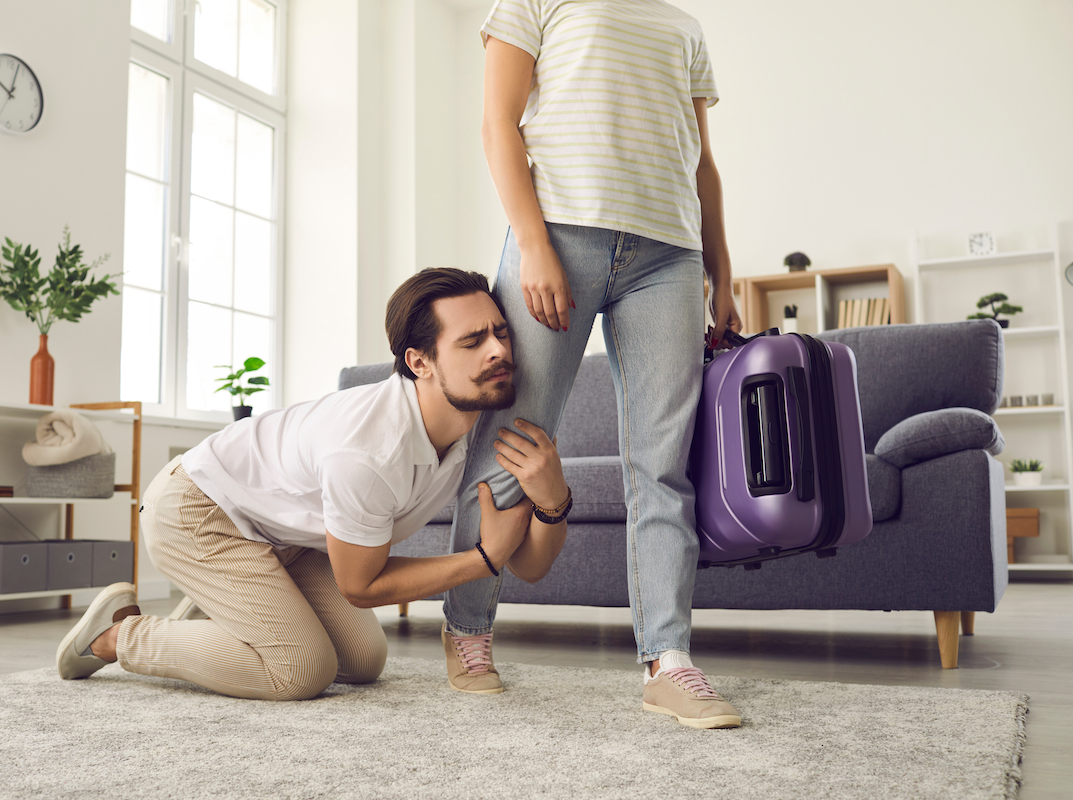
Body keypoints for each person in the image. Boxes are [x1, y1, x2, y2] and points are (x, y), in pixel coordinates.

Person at [55, 268, 571, 701]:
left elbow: (528, 565)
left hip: (284, 534)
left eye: (501, 333)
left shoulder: (489, 422)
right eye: (472, 341)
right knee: (302, 671)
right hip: (195, 512)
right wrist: (480, 561)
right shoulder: (367, 453)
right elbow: (361, 586)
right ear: (420, 363)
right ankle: (115, 635)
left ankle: (227, 607)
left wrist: (553, 501)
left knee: (364, 660)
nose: (498, 351)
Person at [440, 0, 744, 728]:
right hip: (561, 234)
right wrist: (533, 242)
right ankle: (468, 629)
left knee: (661, 461)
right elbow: (498, 124)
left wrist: (723, 271)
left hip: (669, 256)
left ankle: (669, 661)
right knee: (511, 440)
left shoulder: (685, 26)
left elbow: (701, 162)